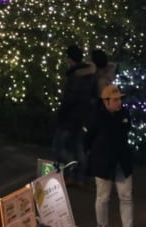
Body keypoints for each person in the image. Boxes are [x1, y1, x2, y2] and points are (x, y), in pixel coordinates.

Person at [85, 84, 134, 227]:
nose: (119, 102)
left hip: (121, 160)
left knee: (126, 197)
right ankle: (102, 224)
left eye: (120, 99)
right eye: (115, 100)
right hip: (103, 161)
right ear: (106, 101)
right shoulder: (96, 115)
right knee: (103, 197)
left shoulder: (124, 113)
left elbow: (126, 129)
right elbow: (87, 138)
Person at [54, 45, 96, 185]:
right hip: (83, 118)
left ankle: (72, 170)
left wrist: (61, 113)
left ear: (70, 59)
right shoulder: (89, 76)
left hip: (69, 118)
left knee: (60, 148)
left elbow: (69, 99)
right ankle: (79, 177)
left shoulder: (75, 76)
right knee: (78, 146)